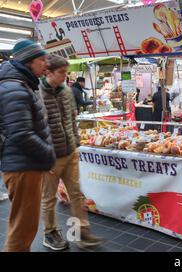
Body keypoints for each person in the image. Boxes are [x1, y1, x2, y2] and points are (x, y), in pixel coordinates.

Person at [39, 54, 104, 251]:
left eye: (66, 73)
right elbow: (36, 128)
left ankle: (81, 232)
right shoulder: (37, 93)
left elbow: (72, 119)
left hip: (70, 153)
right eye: (61, 73)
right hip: (50, 157)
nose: (65, 77)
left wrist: (76, 143)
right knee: (48, 198)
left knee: (76, 194)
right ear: (47, 72)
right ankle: (49, 233)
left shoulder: (67, 91)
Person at [0, 39, 56, 252]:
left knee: (22, 225)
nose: (46, 65)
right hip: (24, 167)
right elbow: (21, 134)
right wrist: (48, 156)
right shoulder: (15, 88)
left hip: (24, 164)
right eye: (42, 60)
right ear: (28, 61)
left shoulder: (19, 85)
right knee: (23, 229)